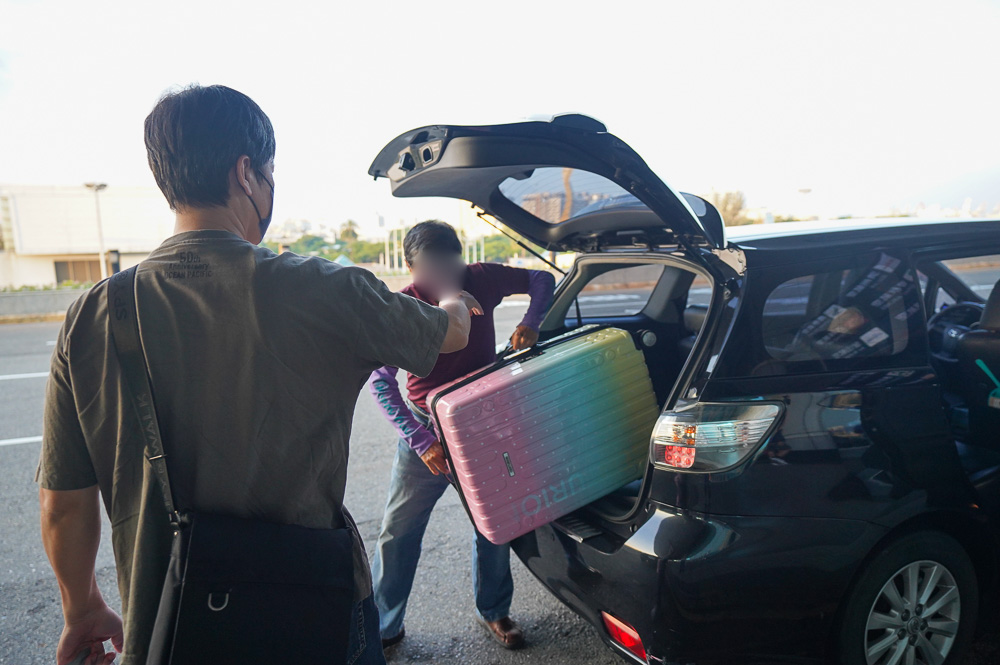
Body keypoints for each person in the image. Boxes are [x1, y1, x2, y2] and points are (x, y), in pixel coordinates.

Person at [35, 85, 481, 665]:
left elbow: (63, 504)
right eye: (270, 172)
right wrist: (453, 300)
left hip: (170, 623)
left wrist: (82, 607)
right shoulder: (325, 288)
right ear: (246, 173)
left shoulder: (92, 313)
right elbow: (448, 336)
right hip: (311, 607)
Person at [369, 221, 556, 650]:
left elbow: (541, 278)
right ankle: (384, 625)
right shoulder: (404, 306)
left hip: (480, 427)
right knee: (398, 531)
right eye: (428, 272)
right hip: (426, 434)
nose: (439, 281)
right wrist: (421, 441)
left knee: (493, 526)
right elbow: (382, 383)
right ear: (410, 268)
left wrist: (532, 321)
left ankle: (495, 610)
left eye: (447, 269)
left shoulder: (482, 279)